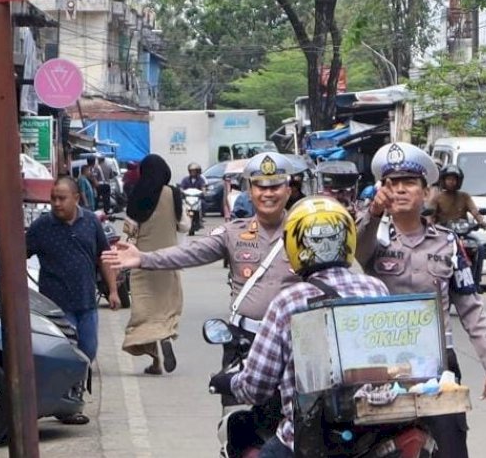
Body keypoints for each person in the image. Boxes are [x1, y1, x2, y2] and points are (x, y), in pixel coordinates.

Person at [101, 152, 305, 402]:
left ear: (289, 190)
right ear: (249, 191)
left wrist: (370, 217)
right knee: (236, 421)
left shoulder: (308, 232)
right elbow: (190, 252)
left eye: (275, 186)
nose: (268, 193)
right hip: (246, 343)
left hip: (297, 342)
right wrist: (143, 258)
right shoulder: (233, 233)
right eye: (260, 186)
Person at [357, 142, 486, 458]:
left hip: (437, 366)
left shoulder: (448, 243)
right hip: (380, 367)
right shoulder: (373, 234)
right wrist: (372, 213)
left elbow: (470, 308)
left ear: (426, 193)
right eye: (391, 183)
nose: (400, 190)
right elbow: (357, 254)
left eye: (409, 183)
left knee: (450, 447)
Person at [210, 196, 389, 457]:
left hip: (310, 438)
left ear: (294, 246)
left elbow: (257, 386)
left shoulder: (288, 301)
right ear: (348, 239)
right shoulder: (376, 288)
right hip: (375, 431)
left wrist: (229, 382)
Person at [26, 176, 119, 425]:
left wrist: (112, 290)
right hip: (56, 306)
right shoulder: (41, 227)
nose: (56, 203)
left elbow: (104, 257)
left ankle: (69, 398)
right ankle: (68, 406)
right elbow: (18, 255)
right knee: (68, 354)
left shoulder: (90, 222)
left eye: (62, 198)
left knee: (88, 351)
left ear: (76, 198)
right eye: (53, 198)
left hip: (86, 302)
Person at [122, 155, 185, 375]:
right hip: (168, 260)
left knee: (145, 312)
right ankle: (165, 335)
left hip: (141, 261)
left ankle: (156, 358)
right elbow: (184, 226)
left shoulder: (136, 193)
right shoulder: (173, 193)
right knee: (166, 307)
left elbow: (129, 231)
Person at [428, 165, 486, 230]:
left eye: (454, 179)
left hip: (462, 231)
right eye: (449, 179)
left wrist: (481, 221)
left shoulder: (465, 196)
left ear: (458, 181)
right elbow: (430, 215)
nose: (451, 182)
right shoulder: (437, 197)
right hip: (443, 232)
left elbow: (474, 210)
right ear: (443, 180)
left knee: (476, 240)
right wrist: (429, 224)